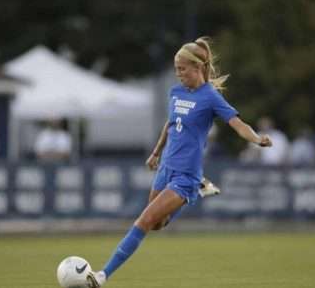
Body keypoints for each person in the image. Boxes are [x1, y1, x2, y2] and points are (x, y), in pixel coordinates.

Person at [86, 37, 272, 287]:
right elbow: (171, 123)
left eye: (182, 69)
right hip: (165, 168)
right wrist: (155, 152)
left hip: (185, 175)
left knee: (143, 221)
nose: (178, 74)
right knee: (157, 224)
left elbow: (238, 125)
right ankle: (198, 189)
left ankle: (101, 276)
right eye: (176, 69)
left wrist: (257, 139)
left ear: (197, 68)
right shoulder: (176, 92)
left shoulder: (211, 97)